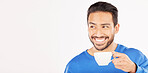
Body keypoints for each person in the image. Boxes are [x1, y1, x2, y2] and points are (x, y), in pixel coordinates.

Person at [64, 1, 148, 73]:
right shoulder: (74, 66)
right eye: (92, 26)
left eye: (105, 26)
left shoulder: (135, 57)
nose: (98, 33)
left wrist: (134, 69)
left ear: (116, 28)